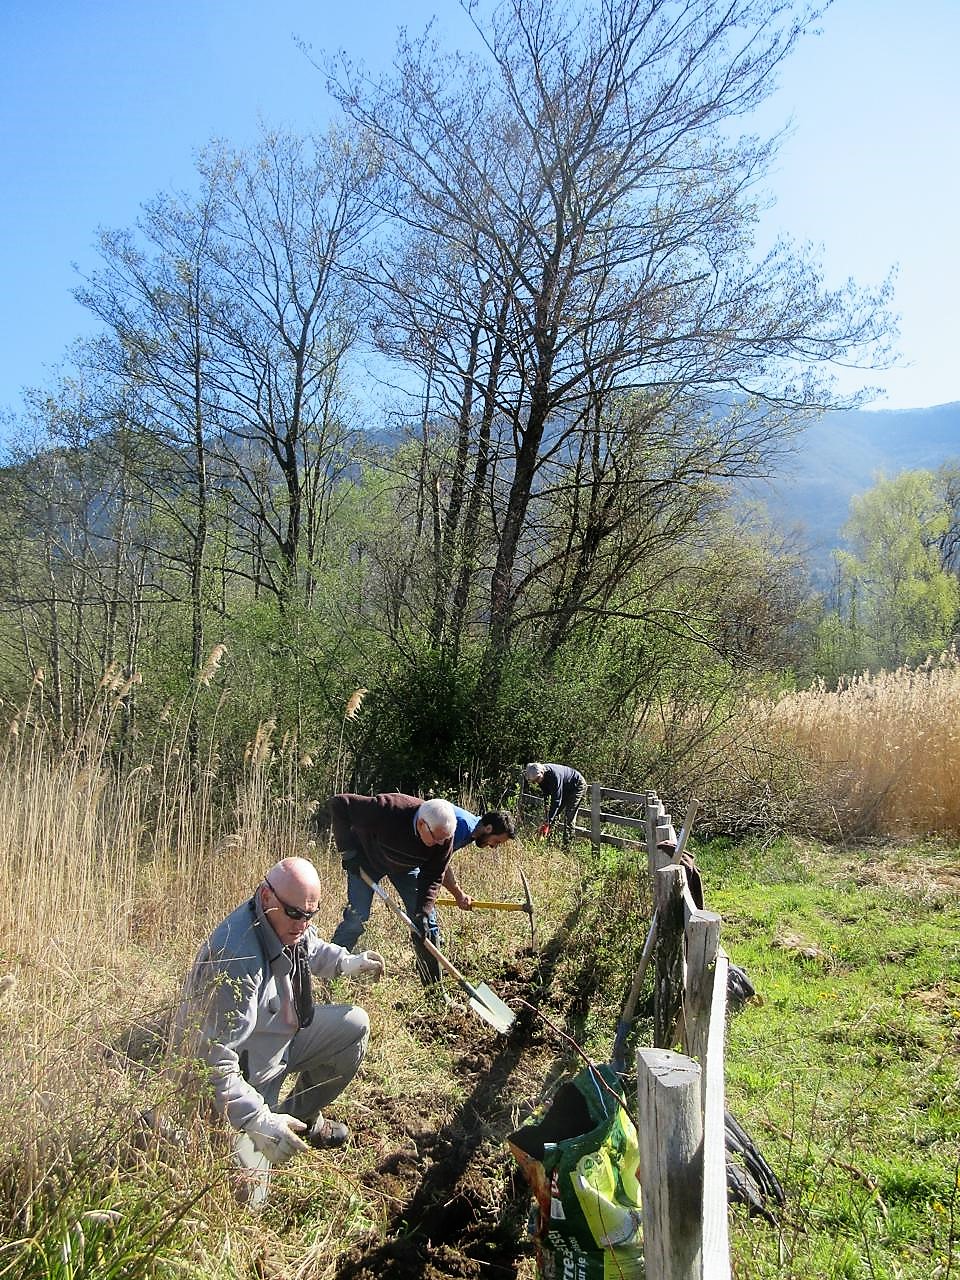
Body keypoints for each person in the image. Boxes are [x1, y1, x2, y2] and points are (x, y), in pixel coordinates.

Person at [175, 855, 384, 1207]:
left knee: (354, 1025)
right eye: (295, 914)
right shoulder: (236, 959)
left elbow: (311, 948)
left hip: (282, 1043)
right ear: (266, 895)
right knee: (250, 1203)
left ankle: (300, 1118)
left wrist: (347, 963)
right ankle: (259, 1125)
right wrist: (257, 1119)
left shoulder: (287, 922)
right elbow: (211, 1060)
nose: (302, 924)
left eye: (310, 915)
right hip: (246, 1077)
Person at [328, 792, 459, 984]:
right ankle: (330, 973)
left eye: (444, 839)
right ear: (422, 824)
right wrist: (348, 852)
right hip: (366, 862)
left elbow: (433, 876)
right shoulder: (387, 810)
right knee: (357, 919)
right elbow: (339, 804)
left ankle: (433, 989)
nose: (440, 844)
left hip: (405, 868)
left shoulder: (443, 836)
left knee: (426, 924)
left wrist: (422, 911)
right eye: (436, 838)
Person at [445, 806, 517, 908]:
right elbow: (438, 863)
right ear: (488, 828)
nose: (494, 846)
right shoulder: (463, 827)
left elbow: (440, 862)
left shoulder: (471, 827)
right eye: (496, 841)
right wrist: (458, 894)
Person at [523, 762, 587, 846]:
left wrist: (548, 821)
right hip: (565, 787)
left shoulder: (554, 775)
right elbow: (547, 795)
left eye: (537, 779)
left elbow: (556, 801)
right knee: (553, 816)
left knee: (569, 817)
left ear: (542, 772)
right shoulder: (541, 778)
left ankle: (567, 846)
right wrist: (547, 816)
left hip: (576, 786)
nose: (536, 782)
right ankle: (550, 843)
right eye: (534, 781)